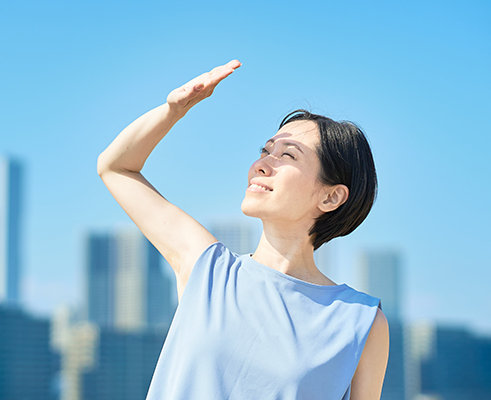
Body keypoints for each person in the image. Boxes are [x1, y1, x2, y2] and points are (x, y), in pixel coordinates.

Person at [97, 60, 389, 400]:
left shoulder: (361, 321)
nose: (262, 164)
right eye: (266, 150)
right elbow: (115, 167)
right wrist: (173, 111)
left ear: (331, 196)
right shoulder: (207, 268)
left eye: (287, 156)